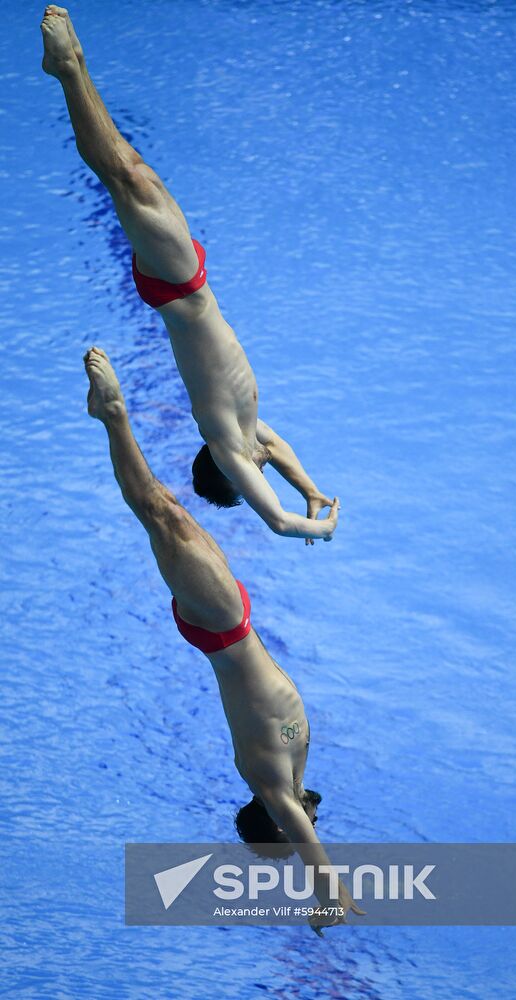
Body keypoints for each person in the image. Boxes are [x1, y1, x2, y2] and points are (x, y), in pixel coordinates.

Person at [82, 346, 363, 933]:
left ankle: (113, 415)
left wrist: (328, 891)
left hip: (219, 624)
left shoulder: (266, 779)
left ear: (278, 822)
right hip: (228, 619)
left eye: (287, 834)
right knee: (166, 514)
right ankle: (128, 420)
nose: (305, 829)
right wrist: (306, 484)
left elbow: (300, 832)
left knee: (157, 512)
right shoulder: (294, 769)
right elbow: (300, 822)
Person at [41, 5, 339, 544]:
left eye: (251, 480)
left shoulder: (226, 440)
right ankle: (73, 66)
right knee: (132, 172)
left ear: (232, 474)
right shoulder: (251, 432)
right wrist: (313, 491)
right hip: (187, 280)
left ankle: (67, 67)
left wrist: (314, 526)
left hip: (177, 286)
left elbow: (276, 521)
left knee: (123, 176)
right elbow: (280, 454)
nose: (261, 470)